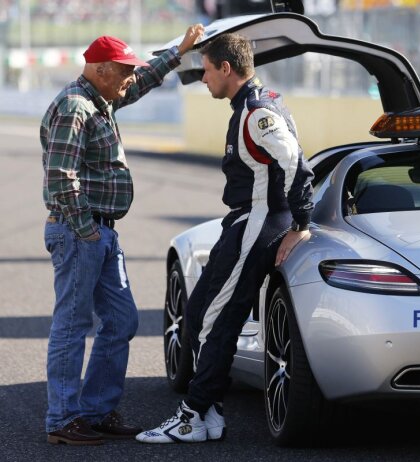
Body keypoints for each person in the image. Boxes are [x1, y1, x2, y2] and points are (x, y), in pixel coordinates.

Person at [136, 33, 314, 444]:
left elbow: (296, 165)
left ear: (227, 70)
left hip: (259, 222)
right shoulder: (251, 104)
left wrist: (300, 223)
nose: (202, 79)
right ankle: (211, 411)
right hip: (242, 223)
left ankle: (193, 416)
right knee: (198, 312)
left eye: (207, 70)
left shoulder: (258, 111)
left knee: (217, 320)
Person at [42, 24, 206, 446]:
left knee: (121, 320)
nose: (131, 77)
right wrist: (86, 232)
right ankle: (62, 419)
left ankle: (96, 412)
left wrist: (178, 51)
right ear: (100, 70)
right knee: (72, 325)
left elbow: (145, 78)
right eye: (124, 70)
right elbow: (61, 178)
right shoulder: (76, 107)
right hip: (82, 231)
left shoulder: (103, 99)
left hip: (100, 231)